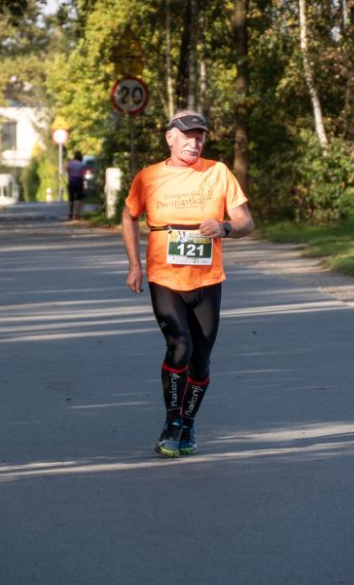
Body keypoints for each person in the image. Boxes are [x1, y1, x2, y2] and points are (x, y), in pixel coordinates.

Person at [121, 110, 254, 457]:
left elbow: (246, 221)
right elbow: (129, 215)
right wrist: (135, 265)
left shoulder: (218, 172)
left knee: (201, 360)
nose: (194, 142)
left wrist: (225, 227)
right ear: (170, 137)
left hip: (207, 279)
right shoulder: (148, 177)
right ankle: (171, 421)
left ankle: (188, 422)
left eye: (200, 136)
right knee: (179, 345)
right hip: (164, 275)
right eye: (188, 135)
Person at [66, 151, 85, 220]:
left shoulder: (70, 164)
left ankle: (70, 213)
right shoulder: (81, 164)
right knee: (78, 198)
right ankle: (77, 214)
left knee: (71, 198)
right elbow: (82, 174)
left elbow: (68, 171)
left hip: (71, 182)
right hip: (79, 182)